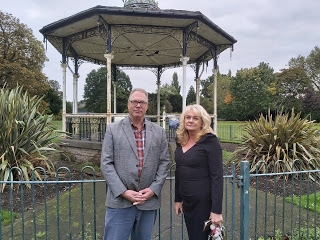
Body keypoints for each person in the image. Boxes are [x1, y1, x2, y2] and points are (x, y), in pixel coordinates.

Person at [100, 88, 170, 240]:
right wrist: (123, 192)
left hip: (148, 201)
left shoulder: (159, 132)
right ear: (128, 104)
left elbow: (164, 162)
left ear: (147, 106)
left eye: (142, 102)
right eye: (135, 102)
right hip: (120, 202)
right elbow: (106, 163)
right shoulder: (113, 130)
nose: (138, 105)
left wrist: (153, 189)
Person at [174, 104, 224, 240]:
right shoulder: (181, 140)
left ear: (203, 121)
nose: (190, 120)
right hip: (187, 202)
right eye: (187, 117)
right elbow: (178, 171)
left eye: (195, 118)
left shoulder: (210, 141)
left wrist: (216, 211)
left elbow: (217, 177)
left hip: (204, 203)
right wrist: (178, 199)